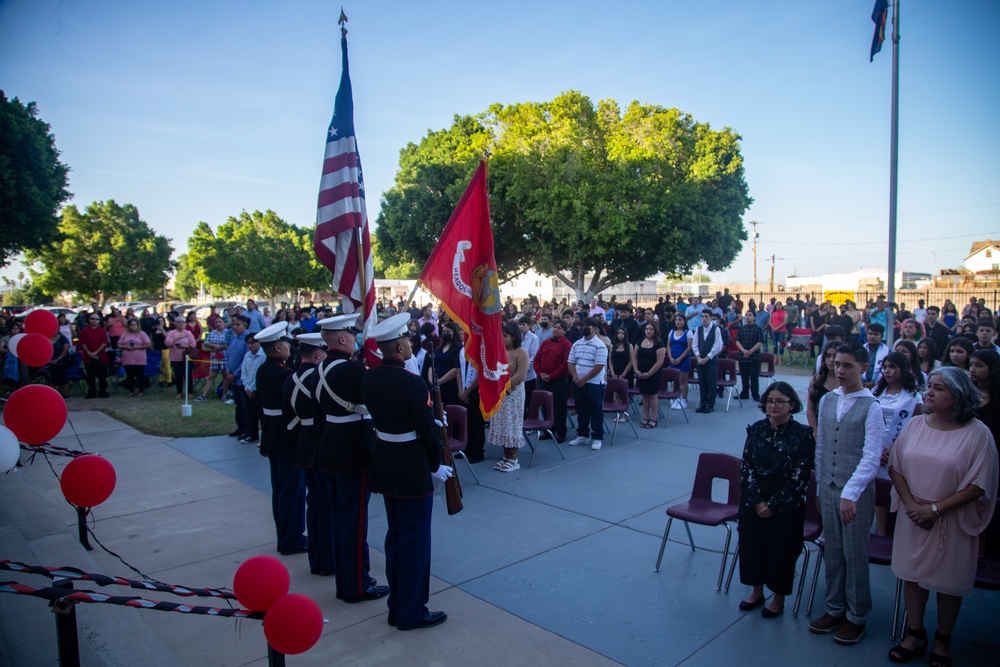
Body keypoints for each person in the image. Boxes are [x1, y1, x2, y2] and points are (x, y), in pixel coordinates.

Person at [887, 367, 998, 666]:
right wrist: (912, 505)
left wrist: (935, 509)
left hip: (951, 519)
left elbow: (979, 484)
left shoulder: (978, 434)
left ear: (958, 395)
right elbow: (895, 466)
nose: (930, 392)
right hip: (914, 516)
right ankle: (914, 633)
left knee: (948, 582)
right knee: (911, 575)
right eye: (930, 386)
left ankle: (942, 641)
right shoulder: (915, 425)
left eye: (938, 388)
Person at [362, 312, 451, 631]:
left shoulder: (369, 377)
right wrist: (434, 465)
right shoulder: (412, 383)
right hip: (411, 468)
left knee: (396, 538)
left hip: (386, 462)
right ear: (399, 347)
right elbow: (426, 433)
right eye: (407, 341)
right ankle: (411, 611)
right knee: (415, 543)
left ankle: (397, 605)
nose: (411, 344)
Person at [808, 342, 884, 645]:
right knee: (833, 551)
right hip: (828, 487)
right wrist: (819, 484)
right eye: (837, 364)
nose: (840, 370)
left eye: (848, 365)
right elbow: (822, 445)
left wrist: (850, 493)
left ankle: (857, 615)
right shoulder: (827, 400)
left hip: (855, 493)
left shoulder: (871, 406)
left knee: (854, 555)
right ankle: (835, 607)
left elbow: (871, 455)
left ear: (863, 369)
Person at [737, 382, 815, 619]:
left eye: (780, 401)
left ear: (791, 404)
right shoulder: (757, 430)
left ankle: (778, 597)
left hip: (786, 503)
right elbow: (746, 467)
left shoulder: (802, 435)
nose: (773, 405)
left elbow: (800, 476)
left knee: (782, 551)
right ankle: (756, 591)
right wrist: (758, 501)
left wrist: (774, 504)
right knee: (753, 547)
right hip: (755, 499)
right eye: (770, 401)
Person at [283, 331, 334, 576]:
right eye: (324, 352)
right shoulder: (319, 378)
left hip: (303, 443)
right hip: (321, 444)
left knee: (313, 503)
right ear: (317, 353)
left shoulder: (290, 378)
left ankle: (317, 557)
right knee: (326, 505)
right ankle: (327, 558)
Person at [254, 322, 306, 556]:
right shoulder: (283, 374)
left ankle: (288, 534)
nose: (288, 347)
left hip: (274, 433)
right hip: (286, 436)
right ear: (277, 347)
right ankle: (290, 539)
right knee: (291, 491)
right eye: (285, 343)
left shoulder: (265, 369)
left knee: (282, 488)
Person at [872, 352, 923, 535]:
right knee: (875, 489)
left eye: (892, 367)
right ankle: (878, 530)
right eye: (885, 367)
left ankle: (891, 531)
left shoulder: (913, 397)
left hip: (897, 449)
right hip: (875, 448)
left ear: (902, 369)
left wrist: (892, 449)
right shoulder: (877, 392)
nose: (887, 371)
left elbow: (914, 426)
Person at [492, 321, 529, 472]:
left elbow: (521, 375)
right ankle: (505, 456)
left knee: (512, 424)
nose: (502, 338)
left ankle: (514, 458)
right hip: (499, 394)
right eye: (500, 335)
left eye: (505, 335)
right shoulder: (499, 351)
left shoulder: (521, 352)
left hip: (513, 394)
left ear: (514, 337)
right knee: (502, 424)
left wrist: (506, 388)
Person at [567, 317, 608, 450]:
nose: (585, 328)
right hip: (578, 382)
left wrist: (584, 379)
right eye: (583, 325)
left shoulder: (600, 345)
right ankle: (582, 435)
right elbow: (571, 362)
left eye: (588, 326)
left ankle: (597, 437)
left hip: (594, 384)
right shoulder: (577, 344)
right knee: (581, 410)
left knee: (596, 411)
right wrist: (576, 378)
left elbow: (599, 366)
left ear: (595, 329)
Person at [534, 320, 572, 443]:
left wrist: (551, 376)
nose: (555, 329)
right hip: (544, 379)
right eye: (554, 327)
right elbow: (537, 359)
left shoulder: (567, 345)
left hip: (559, 381)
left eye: (559, 328)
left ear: (564, 331)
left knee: (559, 407)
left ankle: (560, 432)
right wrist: (540, 374)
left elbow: (565, 364)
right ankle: (548, 430)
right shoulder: (545, 343)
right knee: (545, 406)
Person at [632, 321, 666, 428]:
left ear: (655, 331)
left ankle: (654, 418)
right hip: (641, 372)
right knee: (644, 395)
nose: (648, 331)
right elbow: (635, 357)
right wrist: (636, 370)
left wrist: (649, 373)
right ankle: (645, 417)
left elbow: (659, 362)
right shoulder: (640, 342)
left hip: (653, 373)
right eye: (647, 329)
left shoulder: (659, 344)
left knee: (652, 395)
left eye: (651, 329)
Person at [693, 309, 723, 414]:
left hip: (710, 360)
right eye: (703, 316)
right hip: (700, 359)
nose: (704, 319)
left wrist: (707, 357)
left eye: (706, 316)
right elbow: (695, 344)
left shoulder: (716, 330)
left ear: (711, 317)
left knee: (710, 381)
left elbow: (717, 346)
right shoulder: (698, 329)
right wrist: (698, 357)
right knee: (702, 381)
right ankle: (703, 403)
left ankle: (710, 404)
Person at [807, 342, 840, 432]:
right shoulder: (816, 379)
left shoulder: (846, 381)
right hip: (820, 427)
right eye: (828, 356)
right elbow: (810, 409)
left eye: (835, 356)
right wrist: (814, 431)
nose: (831, 359)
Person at [239, 332, 265, 444]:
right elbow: (243, 372)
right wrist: (247, 387)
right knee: (250, 413)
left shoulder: (263, 356)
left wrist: (253, 387)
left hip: (258, 390)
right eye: (248, 344)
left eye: (253, 343)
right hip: (248, 389)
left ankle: (263, 437)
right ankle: (252, 434)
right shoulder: (247, 355)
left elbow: (259, 374)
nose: (250, 346)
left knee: (262, 414)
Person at [970, 349, 1000, 447]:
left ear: (993, 369)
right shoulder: (967, 394)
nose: (972, 370)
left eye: (978, 366)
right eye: (971, 365)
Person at [79, 312, 110, 398]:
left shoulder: (102, 331)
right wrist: (89, 353)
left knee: (102, 376)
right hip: (88, 358)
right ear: (89, 320)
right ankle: (92, 392)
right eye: (92, 319)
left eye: (96, 319)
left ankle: (102, 391)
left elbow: (104, 343)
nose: (94, 321)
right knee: (90, 377)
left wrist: (95, 353)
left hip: (101, 357)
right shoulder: (84, 331)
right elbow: (82, 343)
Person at [164, 315, 196, 398]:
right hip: (175, 357)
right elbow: (167, 343)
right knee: (178, 375)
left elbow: (193, 344)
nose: (182, 324)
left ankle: (190, 392)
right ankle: (179, 392)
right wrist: (176, 338)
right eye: (179, 322)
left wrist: (183, 346)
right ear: (175, 323)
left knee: (188, 375)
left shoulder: (188, 333)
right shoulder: (171, 333)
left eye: (183, 322)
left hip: (186, 358)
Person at [736, 310, 764, 401]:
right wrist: (744, 351)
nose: (747, 316)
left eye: (750, 315)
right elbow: (737, 341)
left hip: (754, 357)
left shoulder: (758, 329)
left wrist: (750, 352)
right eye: (746, 315)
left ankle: (755, 394)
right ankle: (744, 393)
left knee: (754, 377)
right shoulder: (742, 328)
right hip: (743, 356)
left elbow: (759, 342)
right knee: (744, 376)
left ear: (754, 317)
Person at [197, 316, 228, 401]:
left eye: (220, 322)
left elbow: (229, 344)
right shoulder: (212, 333)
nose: (218, 324)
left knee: (225, 376)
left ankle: (224, 394)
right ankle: (204, 395)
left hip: (224, 356)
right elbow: (206, 342)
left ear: (224, 323)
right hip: (214, 356)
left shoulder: (228, 333)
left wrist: (221, 346)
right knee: (211, 376)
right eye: (216, 322)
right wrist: (214, 346)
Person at [118, 318, 151, 396]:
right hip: (128, 358)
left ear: (138, 326)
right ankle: (131, 390)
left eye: (135, 325)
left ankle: (141, 391)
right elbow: (118, 344)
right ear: (128, 326)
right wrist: (126, 347)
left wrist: (137, 347)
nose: (133, 326)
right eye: (131, 325)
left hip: (139, 358)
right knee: (130, 376)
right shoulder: (124, 334)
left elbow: (148, 344)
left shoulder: (142, 334)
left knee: (140, 375)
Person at [667, 313, 693, 410]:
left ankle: (683, 400)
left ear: (684, 322)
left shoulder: (688, 332)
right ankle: (675, 399)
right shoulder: (672, 332)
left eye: (680, 320)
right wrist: (670, 357)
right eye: (676, 320)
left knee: (682, 380)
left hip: (683, 360)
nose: (678, 321)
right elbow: (668, 346)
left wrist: (680, 358)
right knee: (674, 380)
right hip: (673, 360)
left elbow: (689, 347)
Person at [518, 316, 540, 417]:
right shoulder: (518, 337)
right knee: (521, 402)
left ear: (529, 326)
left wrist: (524, 368)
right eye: (520, 324)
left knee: (528, 400)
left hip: (529, 375)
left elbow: (533, 356)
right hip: (518, 374)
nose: (521, 327)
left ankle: (530, 422)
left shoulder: (534, 338)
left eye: (523, 325)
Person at [861, 323, 890, 390]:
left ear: (882, 336)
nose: (872, 336)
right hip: (861, 384)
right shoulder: (860, 349)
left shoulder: (888, 352)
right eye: (870, 334)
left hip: (880, 386)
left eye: (876, 334)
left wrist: (875, 383)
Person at [608, 326, 635, 397]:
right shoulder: (612, 346)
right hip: (615, 370)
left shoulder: (629, 346)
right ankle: (616, 406)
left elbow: (631, 361)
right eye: (619, 333)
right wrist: (612, 373)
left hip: (625, 371)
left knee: (624, 393)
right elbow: (610, 361)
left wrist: (624, 374)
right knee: (616, 392)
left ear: (625, 335)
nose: (620, 335)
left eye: (622, 333)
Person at [47, 325, 72, 398]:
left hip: (61, 361)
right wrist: (50, 360)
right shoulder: (48, 339)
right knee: (54, 378)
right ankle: (56, 394)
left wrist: (58, 359)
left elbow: (65, 349)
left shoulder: (62, 338)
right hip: (51, 362)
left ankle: (65, 393)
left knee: (63, 377)